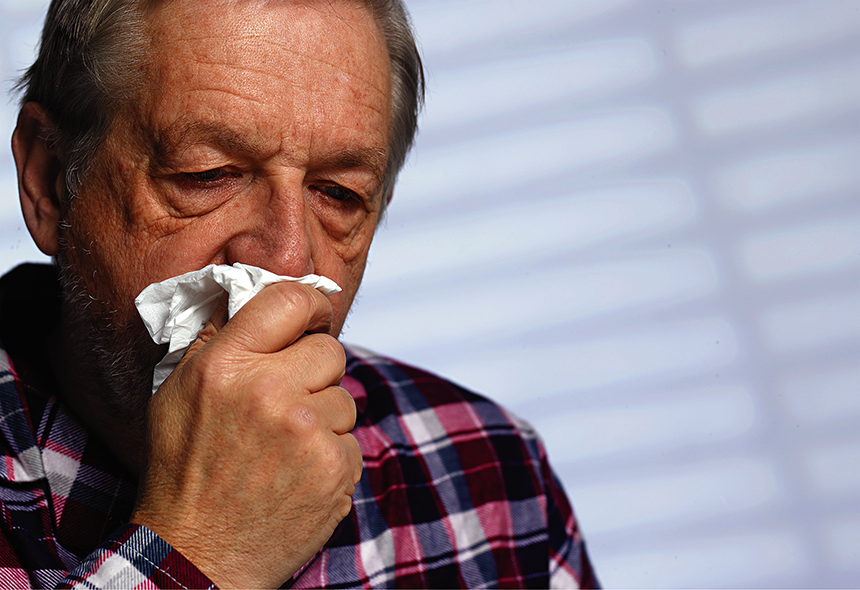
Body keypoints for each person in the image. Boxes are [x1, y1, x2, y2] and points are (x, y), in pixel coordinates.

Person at [0, 0, 598, 587]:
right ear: (50, 182)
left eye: (337, 194)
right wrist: (202, 551)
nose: (289, 259)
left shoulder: (493, 476)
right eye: (207, 175)